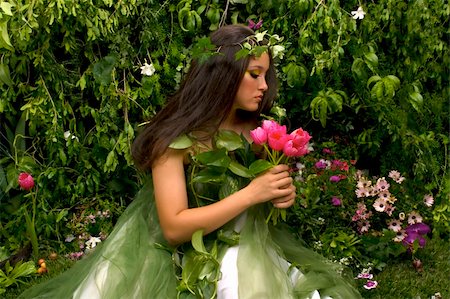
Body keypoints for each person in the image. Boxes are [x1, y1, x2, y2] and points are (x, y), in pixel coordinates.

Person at [18, 24, 361, 299]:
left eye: (265, 75)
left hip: (242, 242)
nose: (263, 85)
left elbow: (262, 198)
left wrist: (280, 195)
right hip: (180, 253)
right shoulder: (174, 140)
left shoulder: (254, 131)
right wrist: (252, 194)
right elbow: (173, 229)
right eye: (254, 74)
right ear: (224, 75)